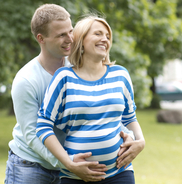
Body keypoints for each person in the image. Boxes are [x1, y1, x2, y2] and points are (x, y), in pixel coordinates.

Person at [5, 4, 136, 184]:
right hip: (32, 164)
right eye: (61, 35)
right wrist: (67, 163)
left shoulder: (79, 67)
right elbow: (32, 134)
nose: (70, 39)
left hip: (72, 166)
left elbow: (100, 109)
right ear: (41, 38)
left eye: (71, 31)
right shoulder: (26, 80)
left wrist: (129, 135)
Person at [36, 15, 145, 184]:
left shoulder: (120, 75)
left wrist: (141, 141)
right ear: (81, 40)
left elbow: (130, 118)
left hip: (120, 173)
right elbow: (43, 126)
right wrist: (69, 163)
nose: (104, 39)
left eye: (108, 36)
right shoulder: (64, 78)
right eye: (98, 34)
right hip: (75, 177)